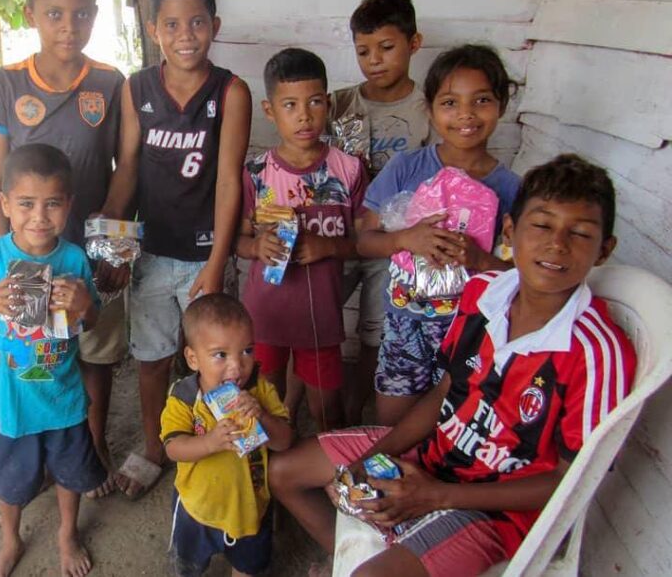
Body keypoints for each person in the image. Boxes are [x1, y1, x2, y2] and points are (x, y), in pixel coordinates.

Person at [270, 154, 637, 577]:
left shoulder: (597, 351)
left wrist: (436, 496)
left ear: (604, 249)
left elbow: (571, 480)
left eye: (580, 233)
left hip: (492, 510)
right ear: (510, 231)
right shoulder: (484, 292)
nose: (557, 244)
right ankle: (353, 554)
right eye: (542, 225)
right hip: (435, 455)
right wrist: (372, 457)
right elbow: (445, 390)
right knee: (284, 472)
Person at [0, 0, 126, 497]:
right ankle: (32, 457)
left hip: (86, 252)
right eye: (54, 14)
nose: (69, 26)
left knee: (92, 351)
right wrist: (3, 256)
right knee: (33, 356)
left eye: (82, 13)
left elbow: (125, 166)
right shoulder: (6, 85)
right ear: (30, 14)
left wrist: (111, 249)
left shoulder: (110, 82)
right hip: (27, 253)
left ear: (94, 14)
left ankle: (92, 445)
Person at [100, 0, 252, 498]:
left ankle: (213, 442)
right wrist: (114, 245)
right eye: (172, 25)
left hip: (203, 257)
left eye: (196, 23)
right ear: (154, 30)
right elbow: (127, 168)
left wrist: (217, 262)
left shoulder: (231, 91)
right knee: (152, 357)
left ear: (215, 25)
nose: (185, 35)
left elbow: (229, 181)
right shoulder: (137, 88)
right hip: (150, 253)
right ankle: (155, 446)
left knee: (215, 361)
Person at [0, 144, 104, 577]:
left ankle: (67, 534)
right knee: (10, 480)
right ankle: (10, 542)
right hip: (12, 403)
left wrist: (83, 304)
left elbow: (91, 320)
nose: (39, 216)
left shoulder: (73, 258)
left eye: (52, 204)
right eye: (26, 204)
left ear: (68, 205)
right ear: (5, 204)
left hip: (62, 396)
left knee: (70, 473)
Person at [356, 44, 520, 426]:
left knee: (452, 425)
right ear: (429, 110)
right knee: (393, 426)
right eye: (449, 103)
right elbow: (364, 241)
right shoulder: (406, 167)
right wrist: (405, 239)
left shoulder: (511, 190)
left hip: (471, 334)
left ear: (501, 105)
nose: (466, 114)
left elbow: (518, 276)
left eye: (481, 100)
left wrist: (479, 260)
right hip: (404, 325)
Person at [237, 48, 367, 432]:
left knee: (326, 409)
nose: (304, 116)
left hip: (320, 318)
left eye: (314, 102)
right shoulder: (257, 172)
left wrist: (329, 247)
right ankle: (274, 464)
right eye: (290, 105)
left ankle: (329, 465)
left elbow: (367, 241)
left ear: (328, 103)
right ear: (269, 110)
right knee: (265, 403)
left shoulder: (348, 169)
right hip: (265, 315)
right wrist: (255, 247)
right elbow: (236, 241)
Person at [330, 0, 432, 424]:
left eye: (386, 47)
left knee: (375, 333)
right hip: (337, 238)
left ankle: (355, 415)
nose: (374, 60)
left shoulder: (429, 110)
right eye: (363, 51)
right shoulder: (338, 104)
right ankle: (317, 413)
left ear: (414, 43)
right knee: (313, 322)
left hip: (393, 247)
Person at [161, 293, 292, 577]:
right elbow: (173, 448)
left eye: (247, 351)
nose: (237, 366)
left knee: (248, 566)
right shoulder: (184, 398)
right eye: (221, 354)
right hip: (197, 509)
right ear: (193, 358)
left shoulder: (260, 390)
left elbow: (284, 441)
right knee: (187, 567)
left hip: (250, 509)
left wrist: (262, 416)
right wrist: (209, 442)